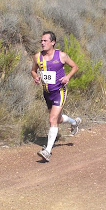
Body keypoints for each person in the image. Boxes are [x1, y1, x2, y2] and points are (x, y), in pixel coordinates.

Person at [31, 31, 81, 162]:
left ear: (52, 42)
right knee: (56, 119)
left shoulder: (61, 56)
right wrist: (36, 77)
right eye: (41, 41)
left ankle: (47, 151)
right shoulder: (37, 57)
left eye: (45, 41)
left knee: (52, 119)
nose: (42, 43)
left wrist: (67, 77)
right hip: (47, 93)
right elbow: (33, 70)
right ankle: (74, 122)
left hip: (60, 91)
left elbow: (75, 66)